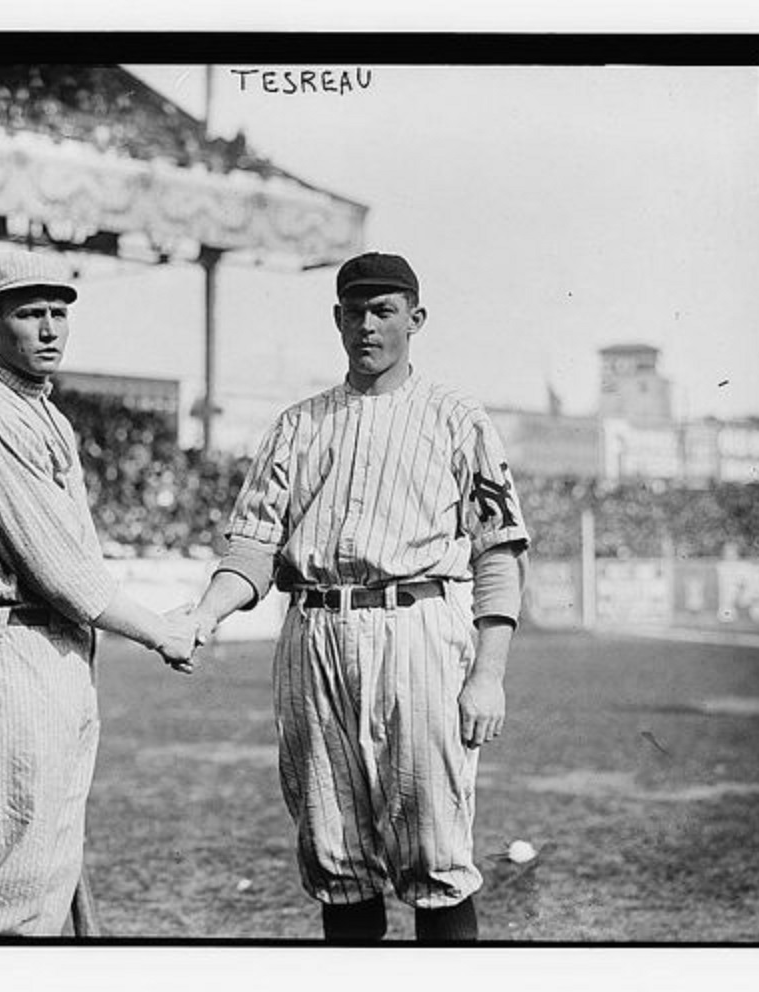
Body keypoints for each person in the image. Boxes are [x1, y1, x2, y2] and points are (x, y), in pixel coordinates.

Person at [184, 252, 530, 943]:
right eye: (355, 312)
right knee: (334, 850)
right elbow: (252, 548)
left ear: (415, 319)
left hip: (419, 627)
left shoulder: (457, 417)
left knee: (435, 849)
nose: (368, 326)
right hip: (315, 634)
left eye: (385, 311)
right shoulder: (297, 424)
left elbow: (497, 552)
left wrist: (488, 673)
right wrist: (204, 613)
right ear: (337, 318)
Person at [0, 249, 199, 937]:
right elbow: (61, 571)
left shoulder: (42, 412)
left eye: (58, 312)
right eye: (28, 314)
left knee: (45, 870)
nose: (49, 328)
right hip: (7, 646)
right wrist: (161, 631)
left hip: (48, 649)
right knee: (0, 896)